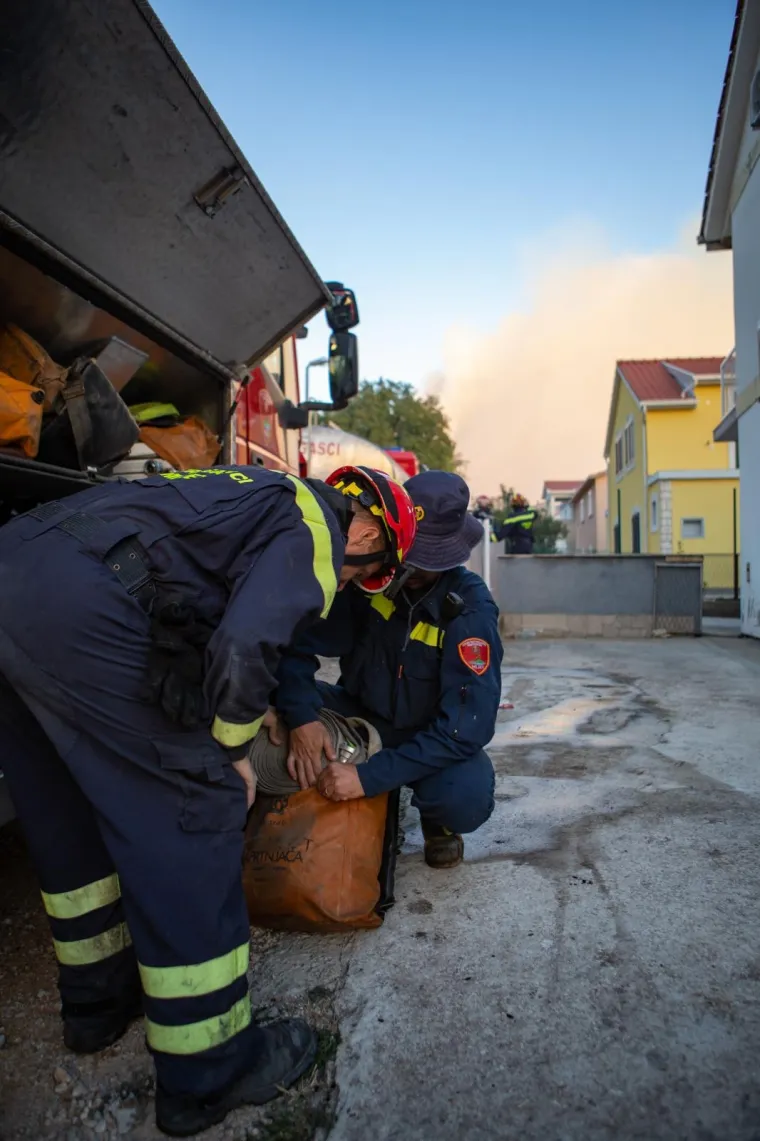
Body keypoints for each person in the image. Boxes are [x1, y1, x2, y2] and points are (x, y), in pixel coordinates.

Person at [0, 463, 416, 1137]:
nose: (345, 585)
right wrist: (228, 755)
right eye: (361, 573)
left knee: (63, 804)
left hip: (17, 567)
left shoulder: (245, 487)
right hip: (79, 604)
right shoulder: (314, 522)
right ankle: (211, 1066)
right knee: (194, 806)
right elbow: (246, 642)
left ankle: (96, 1004)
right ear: (366, 528)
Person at [275, 470, 502, 870]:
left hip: (428, 734)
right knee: (272, 710)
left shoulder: (468, 612)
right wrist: (301, 718)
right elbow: (295, 645)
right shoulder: (368, 582)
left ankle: (435, 821)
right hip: (359, 711)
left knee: (463, 798)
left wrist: (368, 778)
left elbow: (465, 729)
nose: (407, 568)